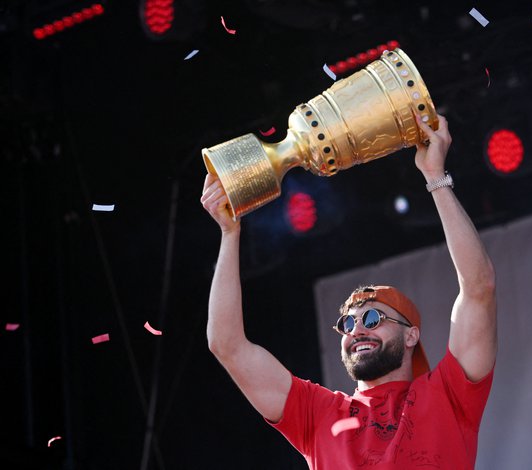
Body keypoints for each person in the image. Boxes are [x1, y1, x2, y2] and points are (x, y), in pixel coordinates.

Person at [200, 113, 497, 469]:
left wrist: (435, 177)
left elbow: (478, 288)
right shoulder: (316, 412)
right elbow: (226, 344)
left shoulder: (449, 394)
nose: (356, 329)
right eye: (347, 323)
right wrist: (230, 234)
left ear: (411, 335)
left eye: (372, 317)